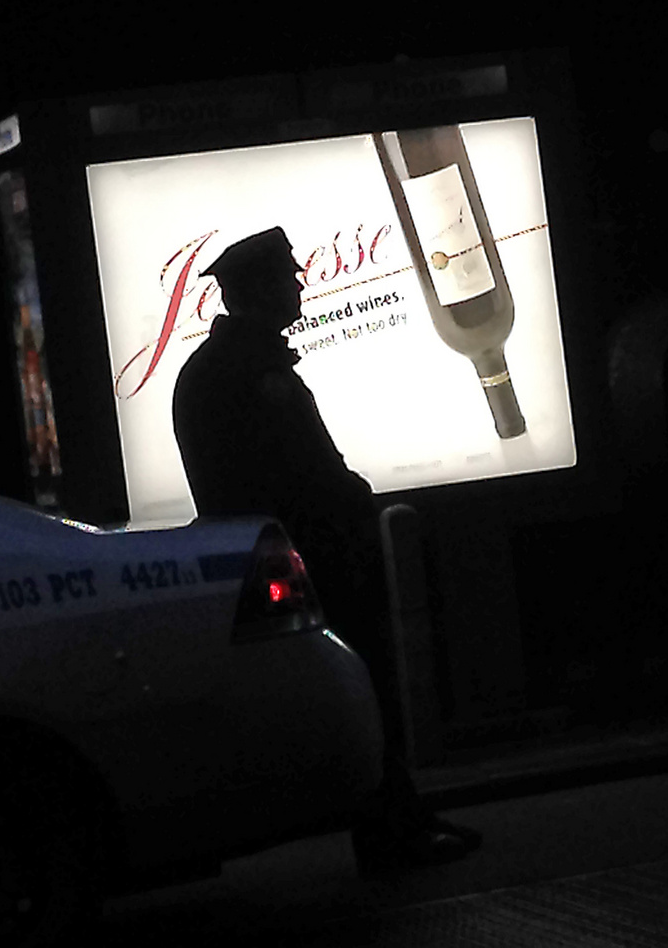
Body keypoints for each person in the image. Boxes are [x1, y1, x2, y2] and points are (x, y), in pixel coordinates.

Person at [172, 226, 480, 873]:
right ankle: (391, 830)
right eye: (288, 276)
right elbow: (304, 477)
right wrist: (356, 499)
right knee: (364, 689)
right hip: (310, 564)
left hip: (276, 563)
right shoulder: (253, 373)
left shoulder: (215, 370)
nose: (300, 284)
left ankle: (399, 816)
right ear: (259, 291)